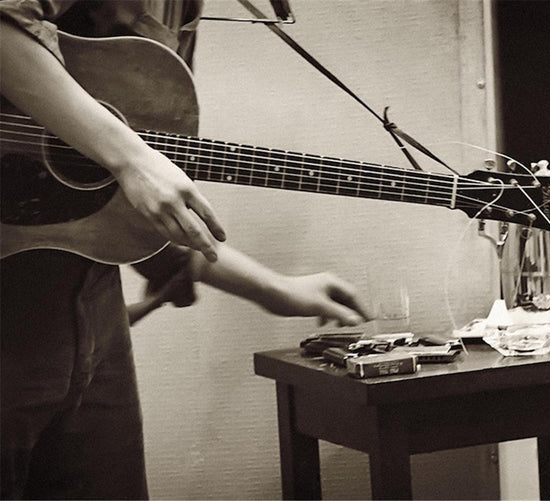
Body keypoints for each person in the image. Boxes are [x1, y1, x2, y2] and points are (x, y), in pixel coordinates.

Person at [0, 1, 370, 498]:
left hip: (91, 317)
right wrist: (132, 159)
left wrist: (274, 288)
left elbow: (115, 205)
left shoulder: (184, 9)